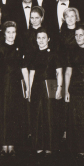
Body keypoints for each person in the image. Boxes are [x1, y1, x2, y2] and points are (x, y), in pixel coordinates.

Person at [0, 21, 29, 156]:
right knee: (2, 113)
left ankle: (11, 145)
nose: (11, 35)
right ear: (4, 33)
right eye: (8, 32)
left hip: (15, 86)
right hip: (1, 85)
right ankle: (3, 145)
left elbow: (24, 69)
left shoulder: (20, 49)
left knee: (14, 113)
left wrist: (27, 87)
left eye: (13, 32)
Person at [29, 27, 63, 156]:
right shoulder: (34, 54)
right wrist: (29, 89)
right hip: (37, 87)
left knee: (50, 115)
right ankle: (38, 145)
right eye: (39, 38)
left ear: (48, 39)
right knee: (37, 115)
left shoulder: (54, 54)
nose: (41, 40)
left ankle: (49, 146)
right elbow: (31, 74)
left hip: (51, 85)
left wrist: (60, 88)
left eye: (44, 38)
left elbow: (59, 72)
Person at [64, 24, 84, 156]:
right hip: (75, 89)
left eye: (81, 35)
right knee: (75, 118)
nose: (78, 37)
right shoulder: (71, 51)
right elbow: (68, 72)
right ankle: (77, 149)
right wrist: (66, 91)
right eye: (76, 35)